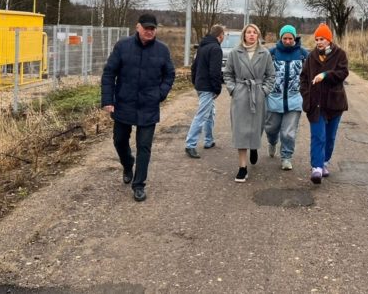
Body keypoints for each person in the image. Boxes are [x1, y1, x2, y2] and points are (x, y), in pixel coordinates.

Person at [101, 13, 175, 202]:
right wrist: (108, 100)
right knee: (119, 141)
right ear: (138, 27)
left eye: (153, 28)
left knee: (144, 146)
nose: (150, 31)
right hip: (124, 103)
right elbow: (109, 73)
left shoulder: (162, 50)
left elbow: (169, 75)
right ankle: (127, 164)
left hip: (148, 105)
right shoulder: (122, 47)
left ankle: (139, 184)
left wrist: (161, 94)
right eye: (146, 28)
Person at [223, 23, 275, 183]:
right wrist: (233, 90)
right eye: (248, 32)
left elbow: (271, 76)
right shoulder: (234, 53)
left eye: (254, 32)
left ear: (258, 36)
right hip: (240, 95)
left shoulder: (264, 54)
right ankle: (242, 167)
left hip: (257, 95)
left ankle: (254, 147)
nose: (251, 35)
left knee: (256, 128)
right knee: (240, 130)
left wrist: (263, 91)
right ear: (244, 35)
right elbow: (228, 74)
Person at [300, 23, 348, 185]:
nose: (319, 42)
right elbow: (304, 78)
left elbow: (343, 73)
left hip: (335, 103)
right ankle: (317, 168)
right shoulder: (311, 56)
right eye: (317, 39)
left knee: (330, 137)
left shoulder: (340, 54)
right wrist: (306, 97)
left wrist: (326, 75)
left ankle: (325, 162)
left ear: (329, 40)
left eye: (322, 39)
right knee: (318, 135)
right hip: (316, 104)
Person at [264, 24, 308, 171]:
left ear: (294, 38)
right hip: (274, 98)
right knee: (271, 128)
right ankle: (272, 142)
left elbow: (310, 73)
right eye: (285, 38)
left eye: (290, 38)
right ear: (280, 38)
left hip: (294, 99)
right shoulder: (272, 54)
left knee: (288, 132)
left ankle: (286, 157)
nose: (288, 41)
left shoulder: (302, 54)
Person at [184, 24, 225, 158]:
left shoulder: (202, 46)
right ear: (220, 36)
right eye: (224, 35)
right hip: (207, 87)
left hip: (200, 85)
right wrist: (217, 88)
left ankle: (208, 140)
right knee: (202, 115)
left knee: (210, 112)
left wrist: (195, 82)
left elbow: (193, 67)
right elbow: (215, 72)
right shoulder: (216, 49)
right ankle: (190, 144)